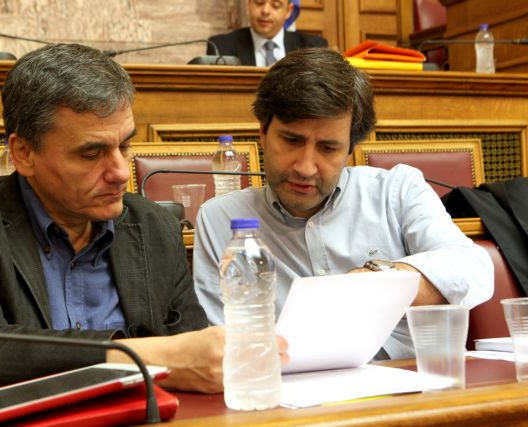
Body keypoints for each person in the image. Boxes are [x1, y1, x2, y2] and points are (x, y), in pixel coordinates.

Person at [0, 43, 232, 398]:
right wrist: (135, 357)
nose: (121, 173)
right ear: (23, 153)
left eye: (124, 146)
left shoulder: (155, 226)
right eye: (92, 153)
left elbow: (194, 359)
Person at [192, 48, 494, 360]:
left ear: (350, 148)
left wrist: (376, 281)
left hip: (411, 381)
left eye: (328, 148)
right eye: (292, 141)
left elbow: (474, 269)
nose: (306, 167)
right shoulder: (222, 219)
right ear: (263, 133)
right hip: (289, 387)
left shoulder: (396, 191)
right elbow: (225, 347)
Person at [206, 0, 327, 66]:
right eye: (259, 2)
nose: (265, 11)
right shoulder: (221, 46)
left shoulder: (311, 47)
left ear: (288, 11)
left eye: (275, 5)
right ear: (249, 4)